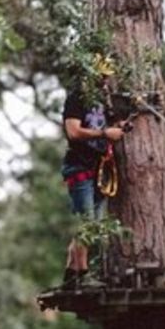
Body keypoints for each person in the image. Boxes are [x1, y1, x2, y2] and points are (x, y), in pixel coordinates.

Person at [61, 57, 125, 289]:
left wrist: (118, 127)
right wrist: (104, 134)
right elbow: (73, 132)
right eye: (102, 76)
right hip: (80, 168)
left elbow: (109, 126)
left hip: (97, 170)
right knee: (88, 225)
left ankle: (71, 274)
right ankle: (84, 275)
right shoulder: (76, 98)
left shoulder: (102, 102)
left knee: (92, 226)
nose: (105, 81)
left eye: (107, 77)